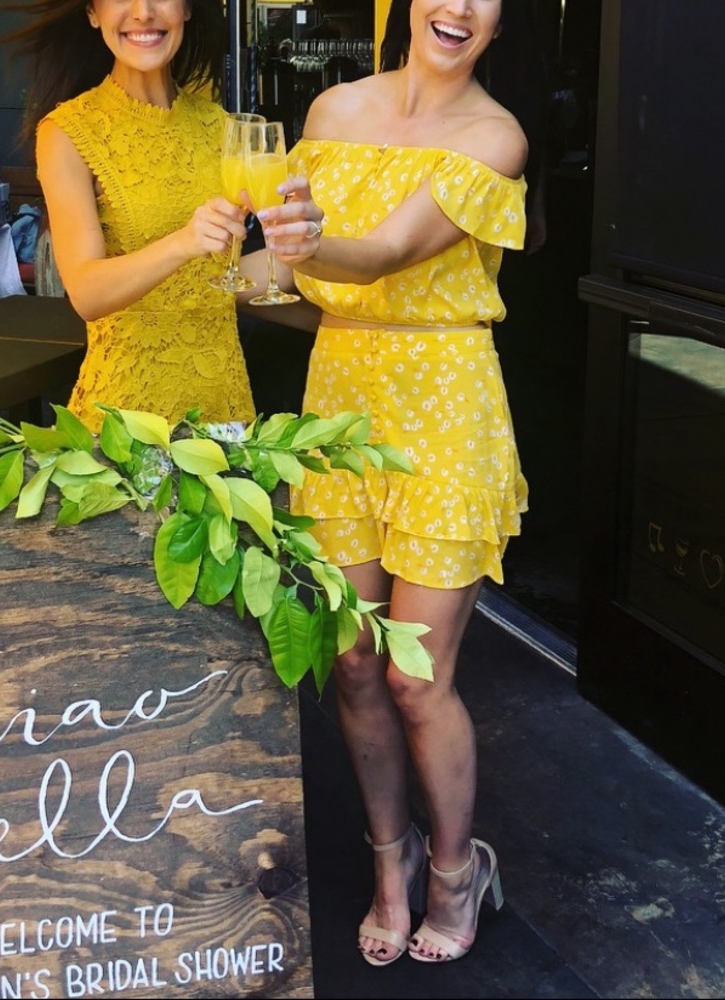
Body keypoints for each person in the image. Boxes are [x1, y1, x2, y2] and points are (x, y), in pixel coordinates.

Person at [238, 0, 545, 966]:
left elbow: (381, 254)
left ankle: (460, 867)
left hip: (445, 404)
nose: (456, 7)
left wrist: (297, 242)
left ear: (501, 21)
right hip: (342, 404)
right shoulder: (331, 111)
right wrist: (233, 261)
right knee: (354, 663)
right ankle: (391, 861)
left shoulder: (496, 136)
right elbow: (288, 265)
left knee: (418, 676)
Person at [0, 0, 257, 431]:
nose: (142, 11)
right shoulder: (69, 132)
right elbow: (87, 294)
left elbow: (227, 279)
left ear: (187, 9)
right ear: (93, 13)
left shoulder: (221, 126)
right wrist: (184, 242)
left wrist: (302, 244)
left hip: (225, 411)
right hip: (126, 421)